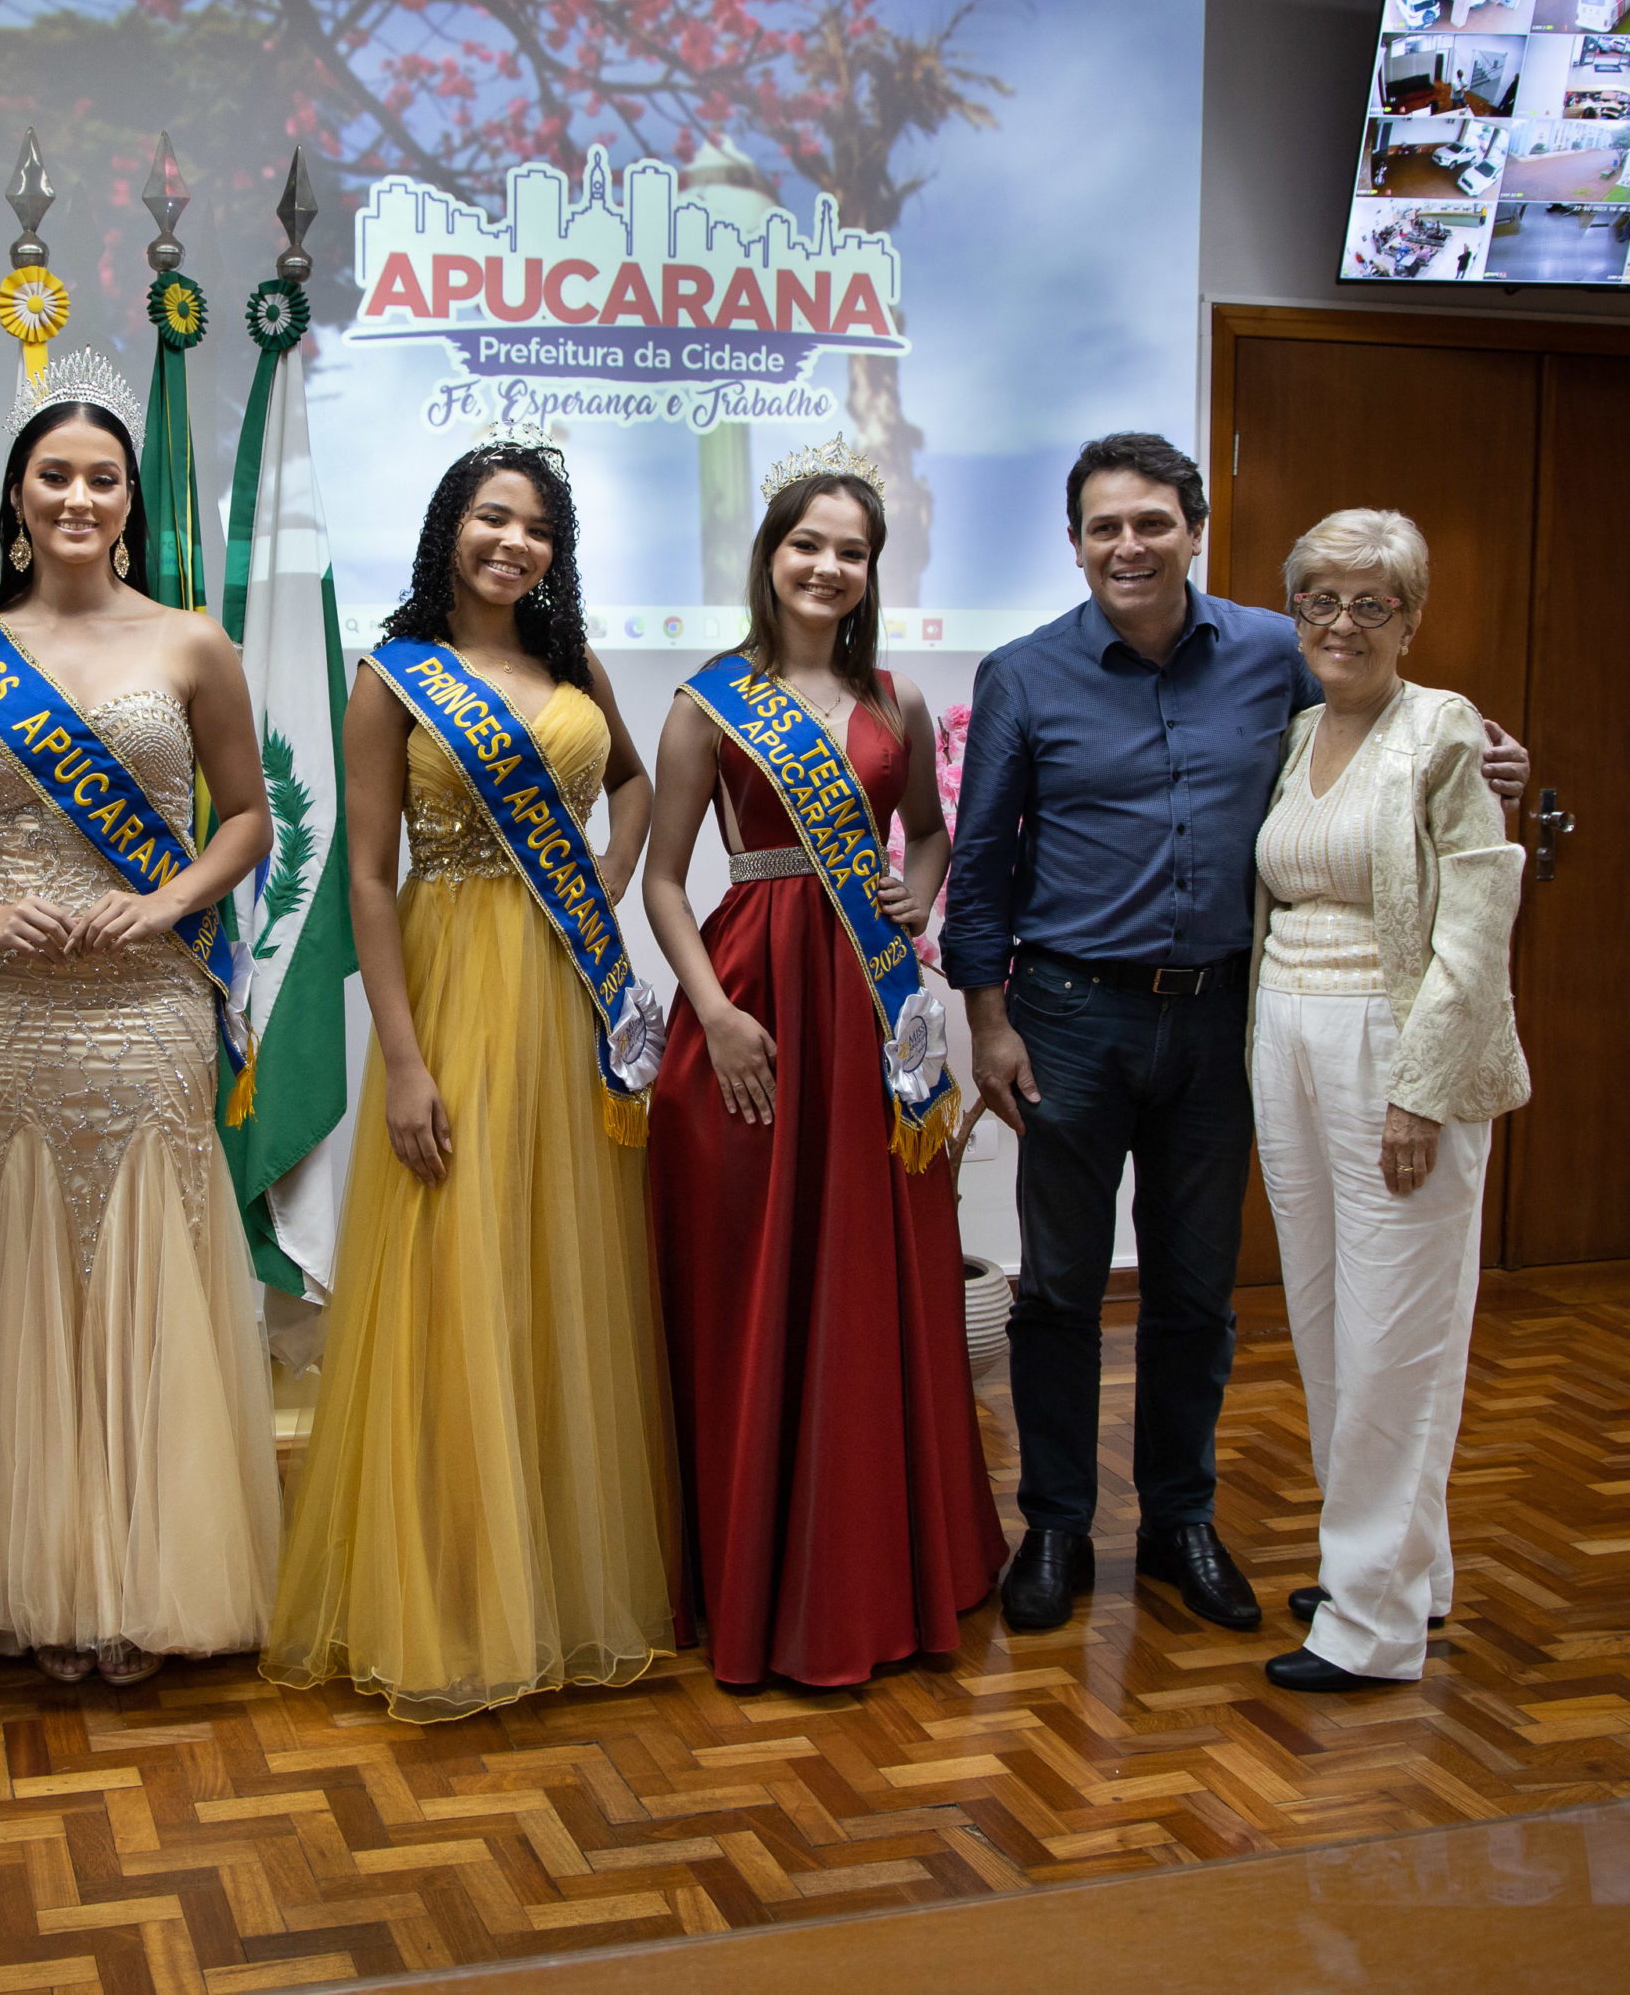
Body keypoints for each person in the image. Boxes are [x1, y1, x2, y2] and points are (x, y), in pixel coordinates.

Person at [942, 434, 1527, 1636]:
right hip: (1063, 1017)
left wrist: (1489, 755)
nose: (1128, 546)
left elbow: (1387, 737)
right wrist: (986, 1020)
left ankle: (1177, 1521)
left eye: (1152, 522)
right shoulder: (1021, 674)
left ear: (1195, 529)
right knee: (1058, 1288)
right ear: (1073, 543)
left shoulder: (1275, 651)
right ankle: (1054, 1526)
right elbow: (983, 858)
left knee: (1196, 1290)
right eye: (1104, 526)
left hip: (1220, 1018)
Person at [259, 439, 676, 1722]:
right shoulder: (390, 681)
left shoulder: (569, 668)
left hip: (560, 993)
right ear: (451, 527)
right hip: (444, 989)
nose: (515, 542)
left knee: (556, 1268)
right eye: (493, 518)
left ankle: (552, 1577)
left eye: (538, 527)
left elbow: (635, 786)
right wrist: (398, 1057)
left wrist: (601, 892)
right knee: (456, 1270)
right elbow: (369, 880)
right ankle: (447, 1591)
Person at [0, 353, 280, 1687]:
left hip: (148, 991)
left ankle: (149, 1570)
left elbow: (249, 815)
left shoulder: (190, 640)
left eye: (101, 477)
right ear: (16, 490)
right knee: (27, 1265)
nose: (77, 495)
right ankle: (19, 1573)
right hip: (7, 998)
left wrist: (167, 894)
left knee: (146, 1259)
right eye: (53, 473)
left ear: (131, 500)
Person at [644, 448, 1005, 1688]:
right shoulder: (705, 702)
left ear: (868, 572)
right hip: (753, 1005)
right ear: (771, 556)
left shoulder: (895, 702)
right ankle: (754, 1569)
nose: (827, 566)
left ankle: (877, 1563)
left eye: (850, 551)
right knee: (757, 1272)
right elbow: (661, 880)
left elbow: (932, 831)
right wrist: (714, 1015)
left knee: (872, 1272)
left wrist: (918, 893)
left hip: (869, 1012)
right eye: (808, 544)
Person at [1249, 511, 1526, 1691]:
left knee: (1396, 1335)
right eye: (1320, 599)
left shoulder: (1442, 728)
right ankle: (1397, 1573)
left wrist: (1420, 1093)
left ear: (1410, 618)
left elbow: (1473, 924)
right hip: (1284, 1036)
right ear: (1294, 611)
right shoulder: (1297, 727)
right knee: (1324, 1321)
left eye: (1372, 603)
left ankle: (1366, 1629)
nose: (1341, 622)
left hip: (1394, 1046)